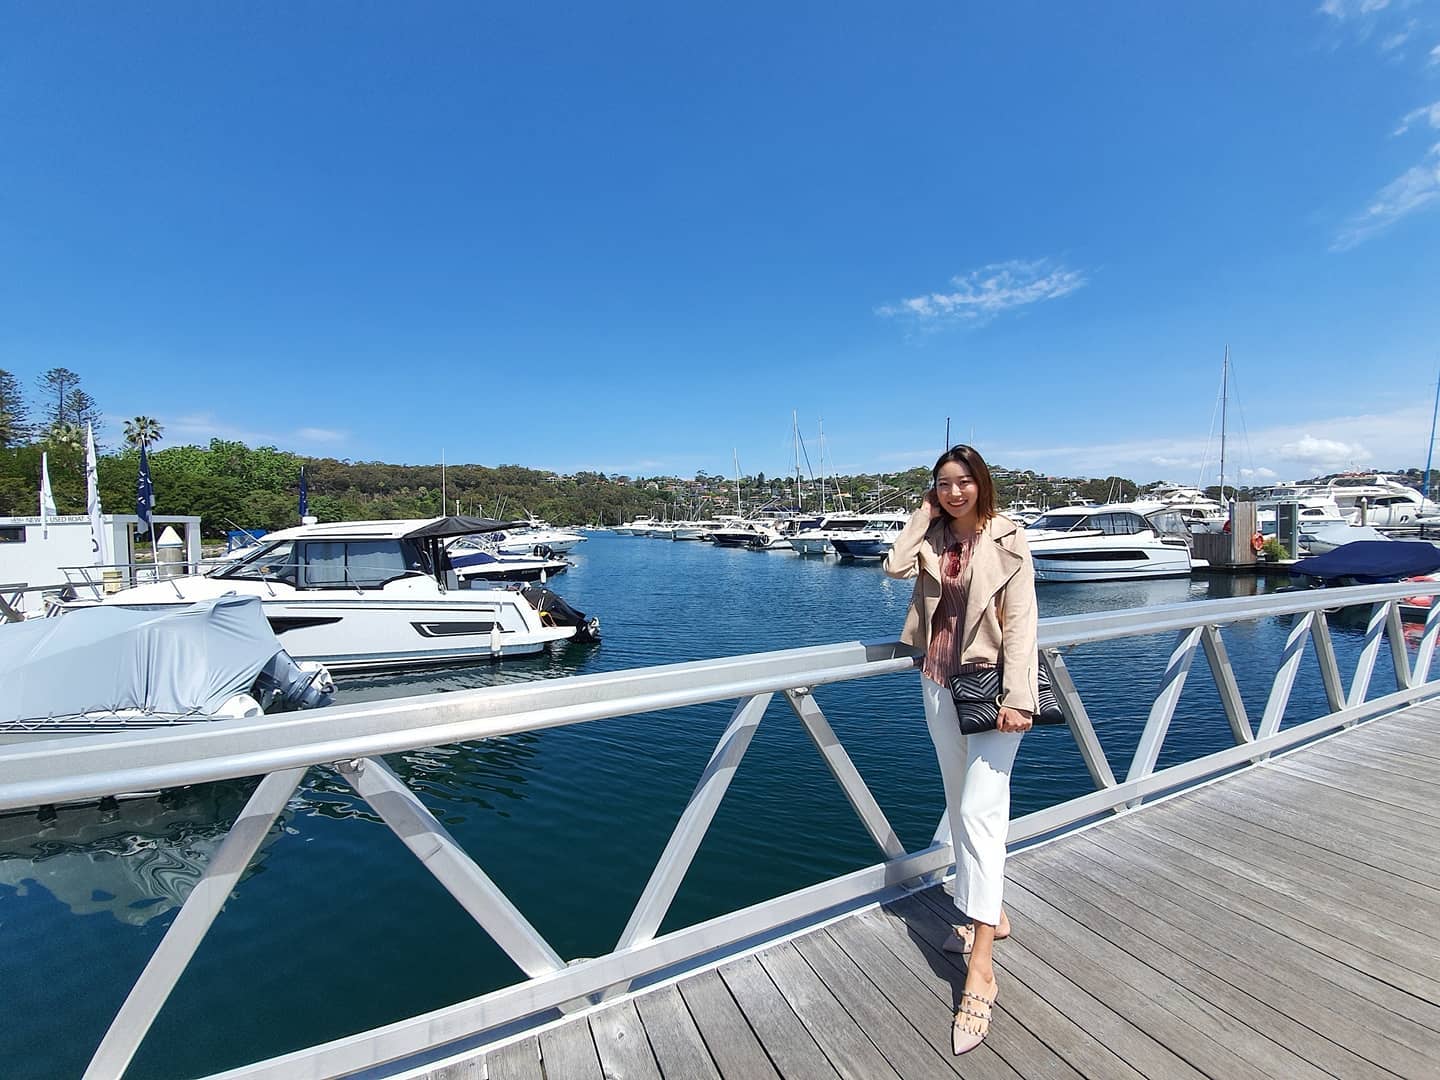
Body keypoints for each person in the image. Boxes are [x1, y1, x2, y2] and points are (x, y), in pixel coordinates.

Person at [883, 444, 1038, 1056]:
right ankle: (992, 915)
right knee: (958, 802)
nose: (954, 492)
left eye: (964, 481)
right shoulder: (934, 535)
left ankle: (981, 970)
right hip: (939, 684)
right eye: (943, 484)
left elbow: (1022, 624)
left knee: (979, 811)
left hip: (994, 691)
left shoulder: (1009, 538)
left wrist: (1021, 697)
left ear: (982, 484)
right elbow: (894, 567)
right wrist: (921, 515)